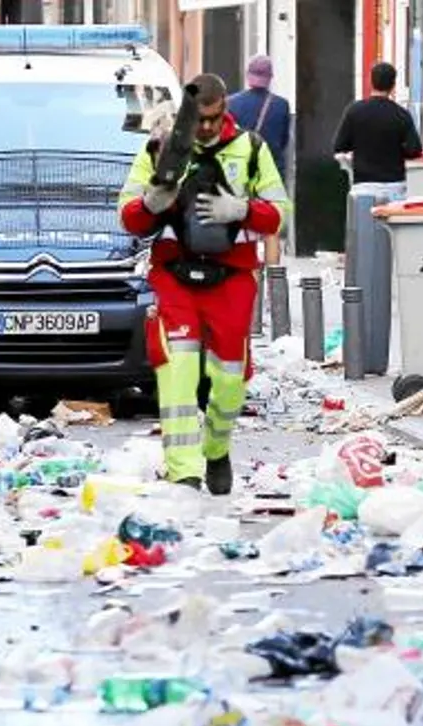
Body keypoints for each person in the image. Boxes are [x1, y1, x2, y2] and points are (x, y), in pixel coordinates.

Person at [118, 73, 292, 494]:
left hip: (231, 276)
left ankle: (216, 448)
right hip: (175, 274)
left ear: (224, 111)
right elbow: (128, 217)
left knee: (230, 378)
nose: (208, 127)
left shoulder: (250, 149)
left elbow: (279, 213)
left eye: (215, 118)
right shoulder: (160, 149)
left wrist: (241, 209)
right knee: (177, 367)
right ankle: (184, 471)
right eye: (201, 119)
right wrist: (150, 203)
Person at [227, 54, 291, 266]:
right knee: (270, 226)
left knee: (243, 222)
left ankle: (247, 270)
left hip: (240, 173)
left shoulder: (231, 104)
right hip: (271, 174)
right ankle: (274, 279)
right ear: (270, 77)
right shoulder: (281, 105)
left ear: (248, 76)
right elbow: (283, 141)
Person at [332, 62, 423, 202]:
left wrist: (360, 147)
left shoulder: (355, 111)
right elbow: (415, 150)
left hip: (364, 185)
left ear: (371, 82)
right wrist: (396, 151)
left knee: (363, 223)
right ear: (393, 85)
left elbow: (339, 146)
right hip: (395, 185)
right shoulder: (401, 114)